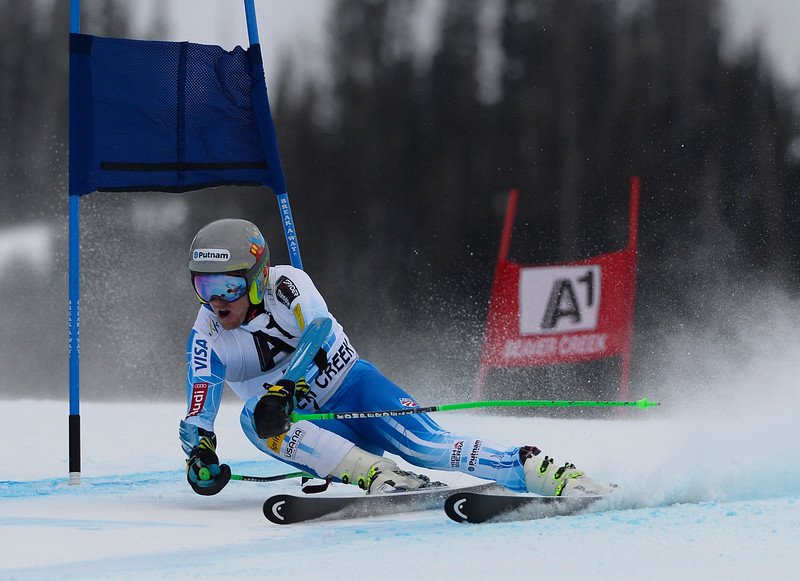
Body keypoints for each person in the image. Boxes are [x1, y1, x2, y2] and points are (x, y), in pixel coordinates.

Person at [179, 218, 613, 498]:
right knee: (254, 419)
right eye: (204, 287)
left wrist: (285, 385)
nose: (216, 300)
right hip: (315, 431)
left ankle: (542, 470)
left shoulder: (286, 283)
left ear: (256, 278)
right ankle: (378, 475)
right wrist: (199, 454)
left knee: (427, 446)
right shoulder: (208, 335)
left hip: (355, 388)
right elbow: (198, 410)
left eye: (228, 286)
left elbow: (320, 328)